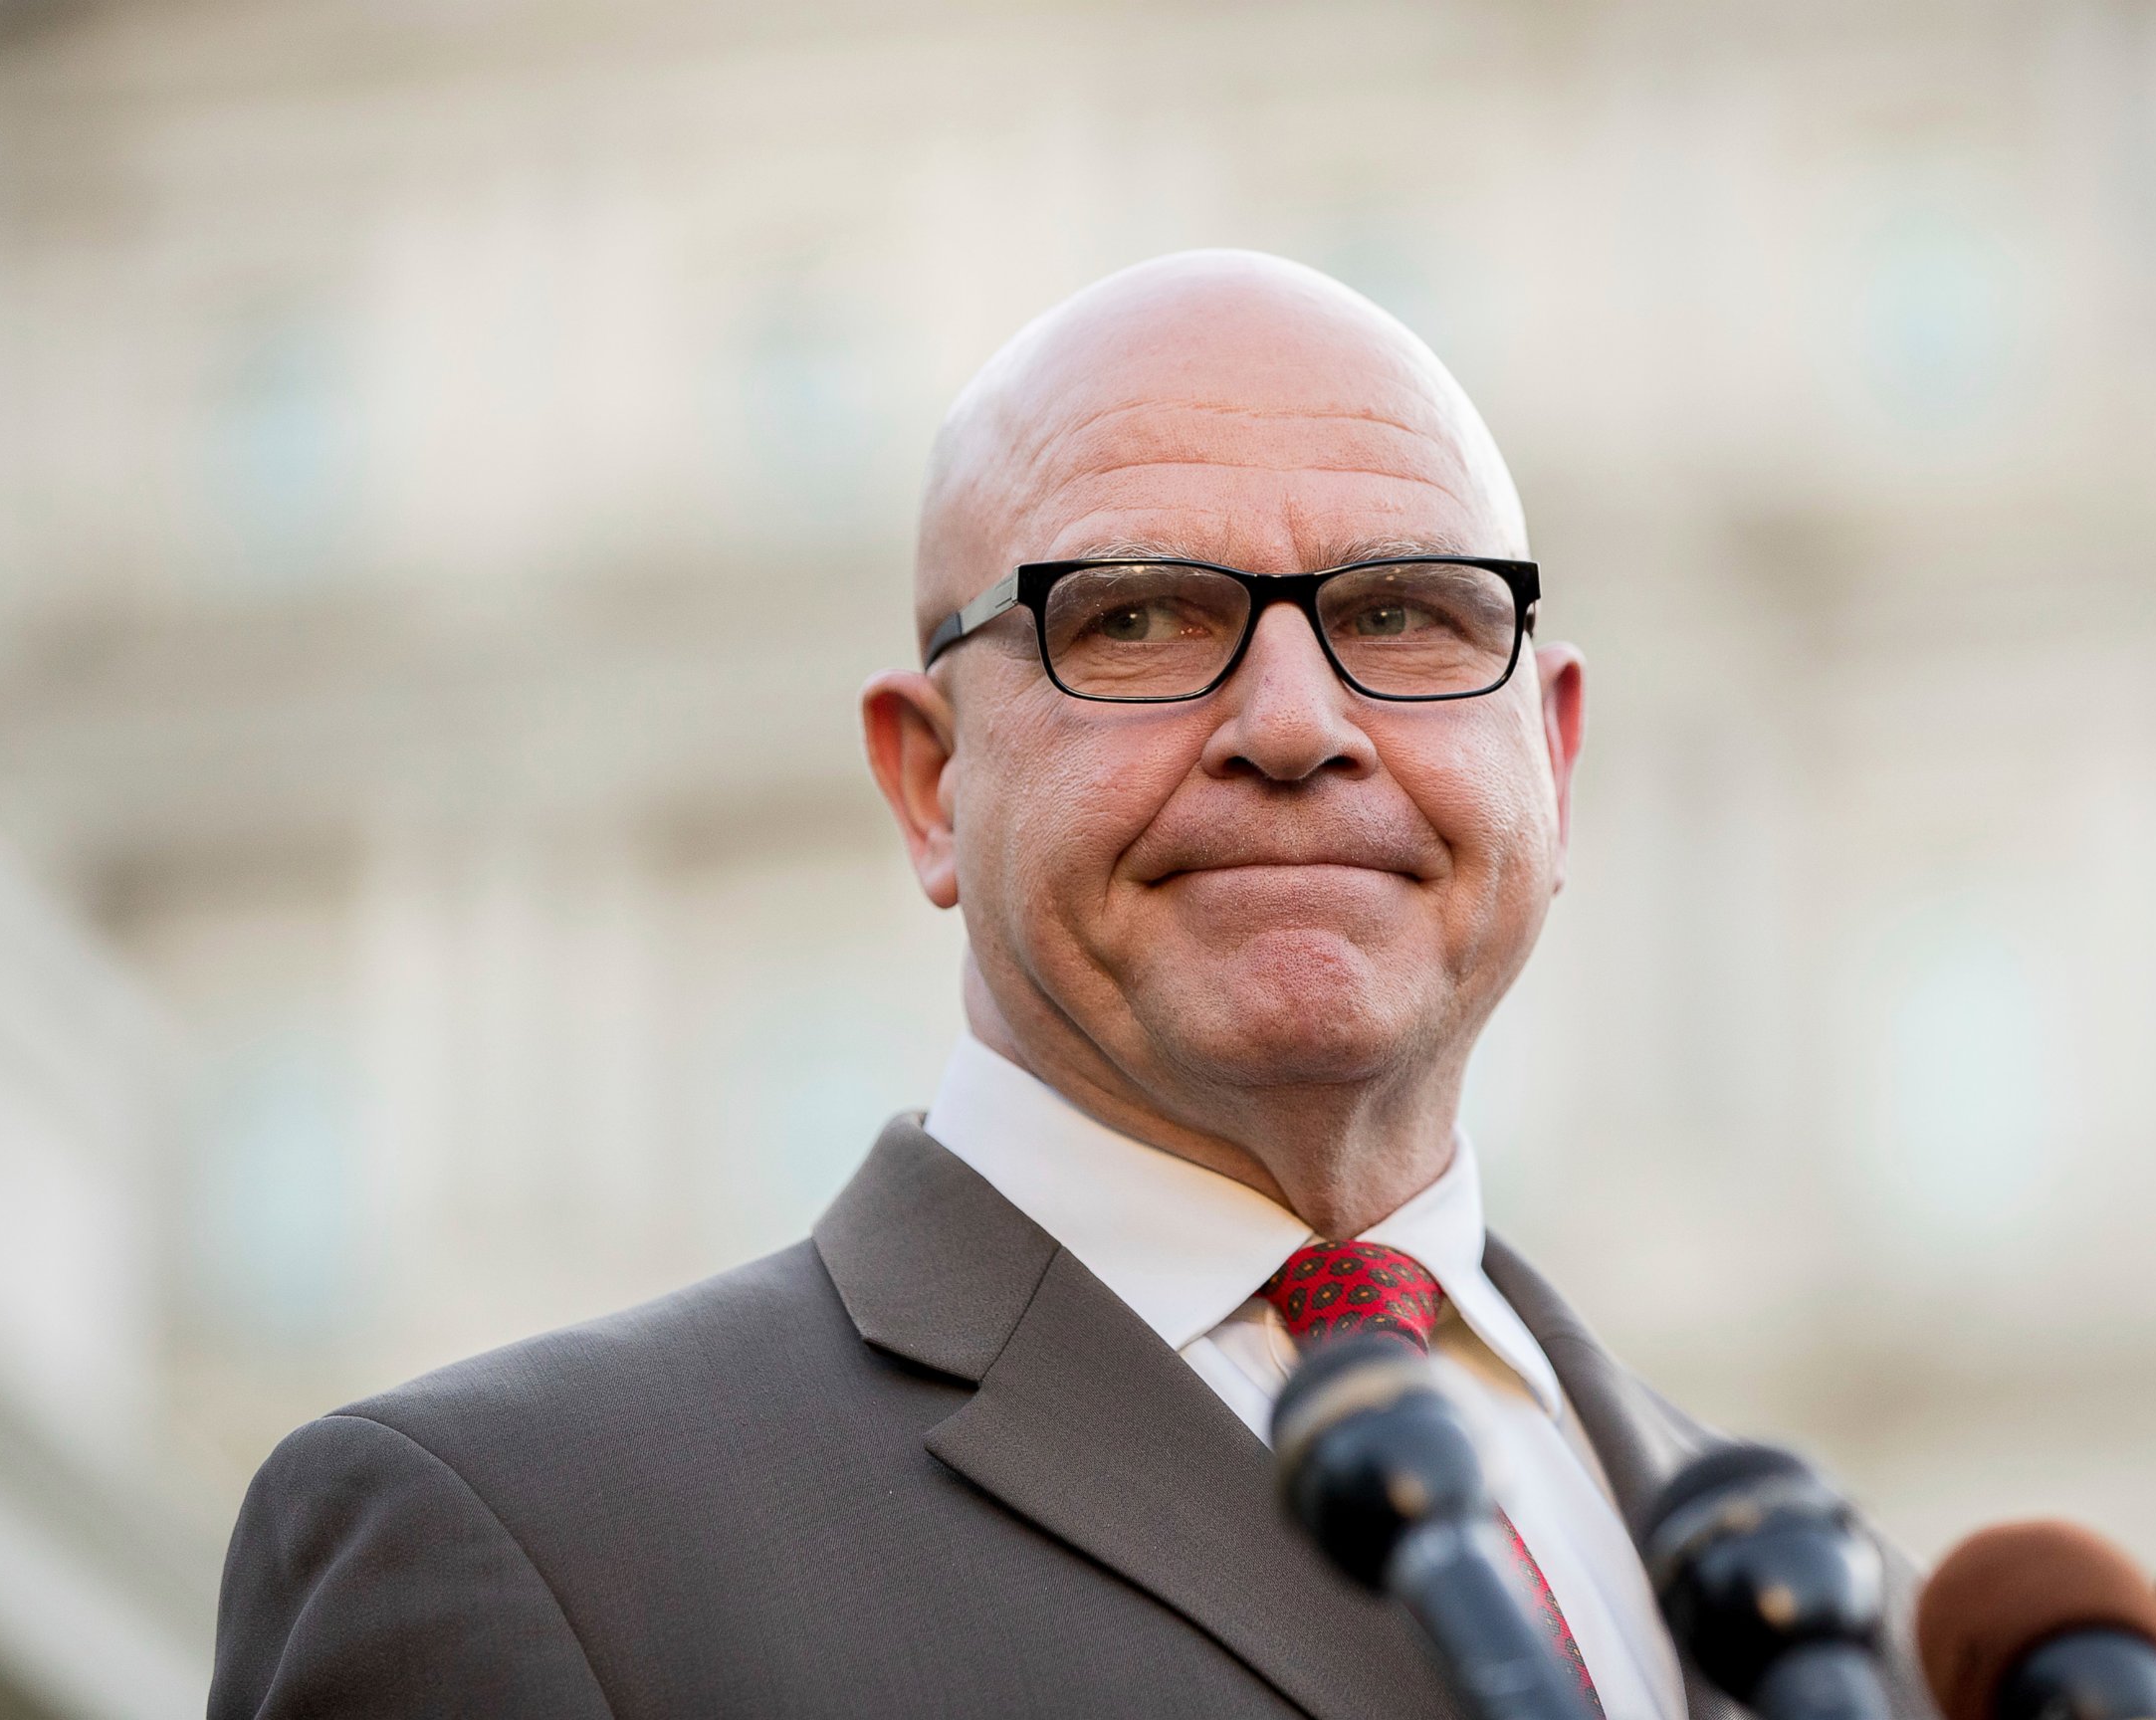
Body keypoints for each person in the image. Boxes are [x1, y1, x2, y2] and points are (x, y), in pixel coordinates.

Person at [209, 251, 1932, 1720]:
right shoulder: (529, 1536)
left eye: (1408, 614)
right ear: (927, 780)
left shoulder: (1877, 1633)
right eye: (1136, 622)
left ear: (1551, 760)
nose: (1294, 724)